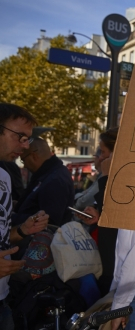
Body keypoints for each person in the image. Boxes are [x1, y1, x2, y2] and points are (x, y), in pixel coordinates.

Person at [0, 103, 49, 330]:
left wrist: (23, 230)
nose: (25, 145)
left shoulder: (5, 177)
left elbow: (3, 237)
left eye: (28, 139)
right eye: (20, 136)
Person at [77, 127, 119, 296]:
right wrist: (97, 215)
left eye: (102, 152)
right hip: (105, 258)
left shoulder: (114, 180)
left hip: (113, 264)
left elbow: (114, 216)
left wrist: (107, 175)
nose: (99, 157)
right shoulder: (105, 178)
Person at [12, 137, 74, 227]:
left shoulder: (54, 180)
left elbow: (48, 221)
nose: (24, 165)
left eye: (23, 160)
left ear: (34, 156)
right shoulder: (50, 174)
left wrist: (12, 218)